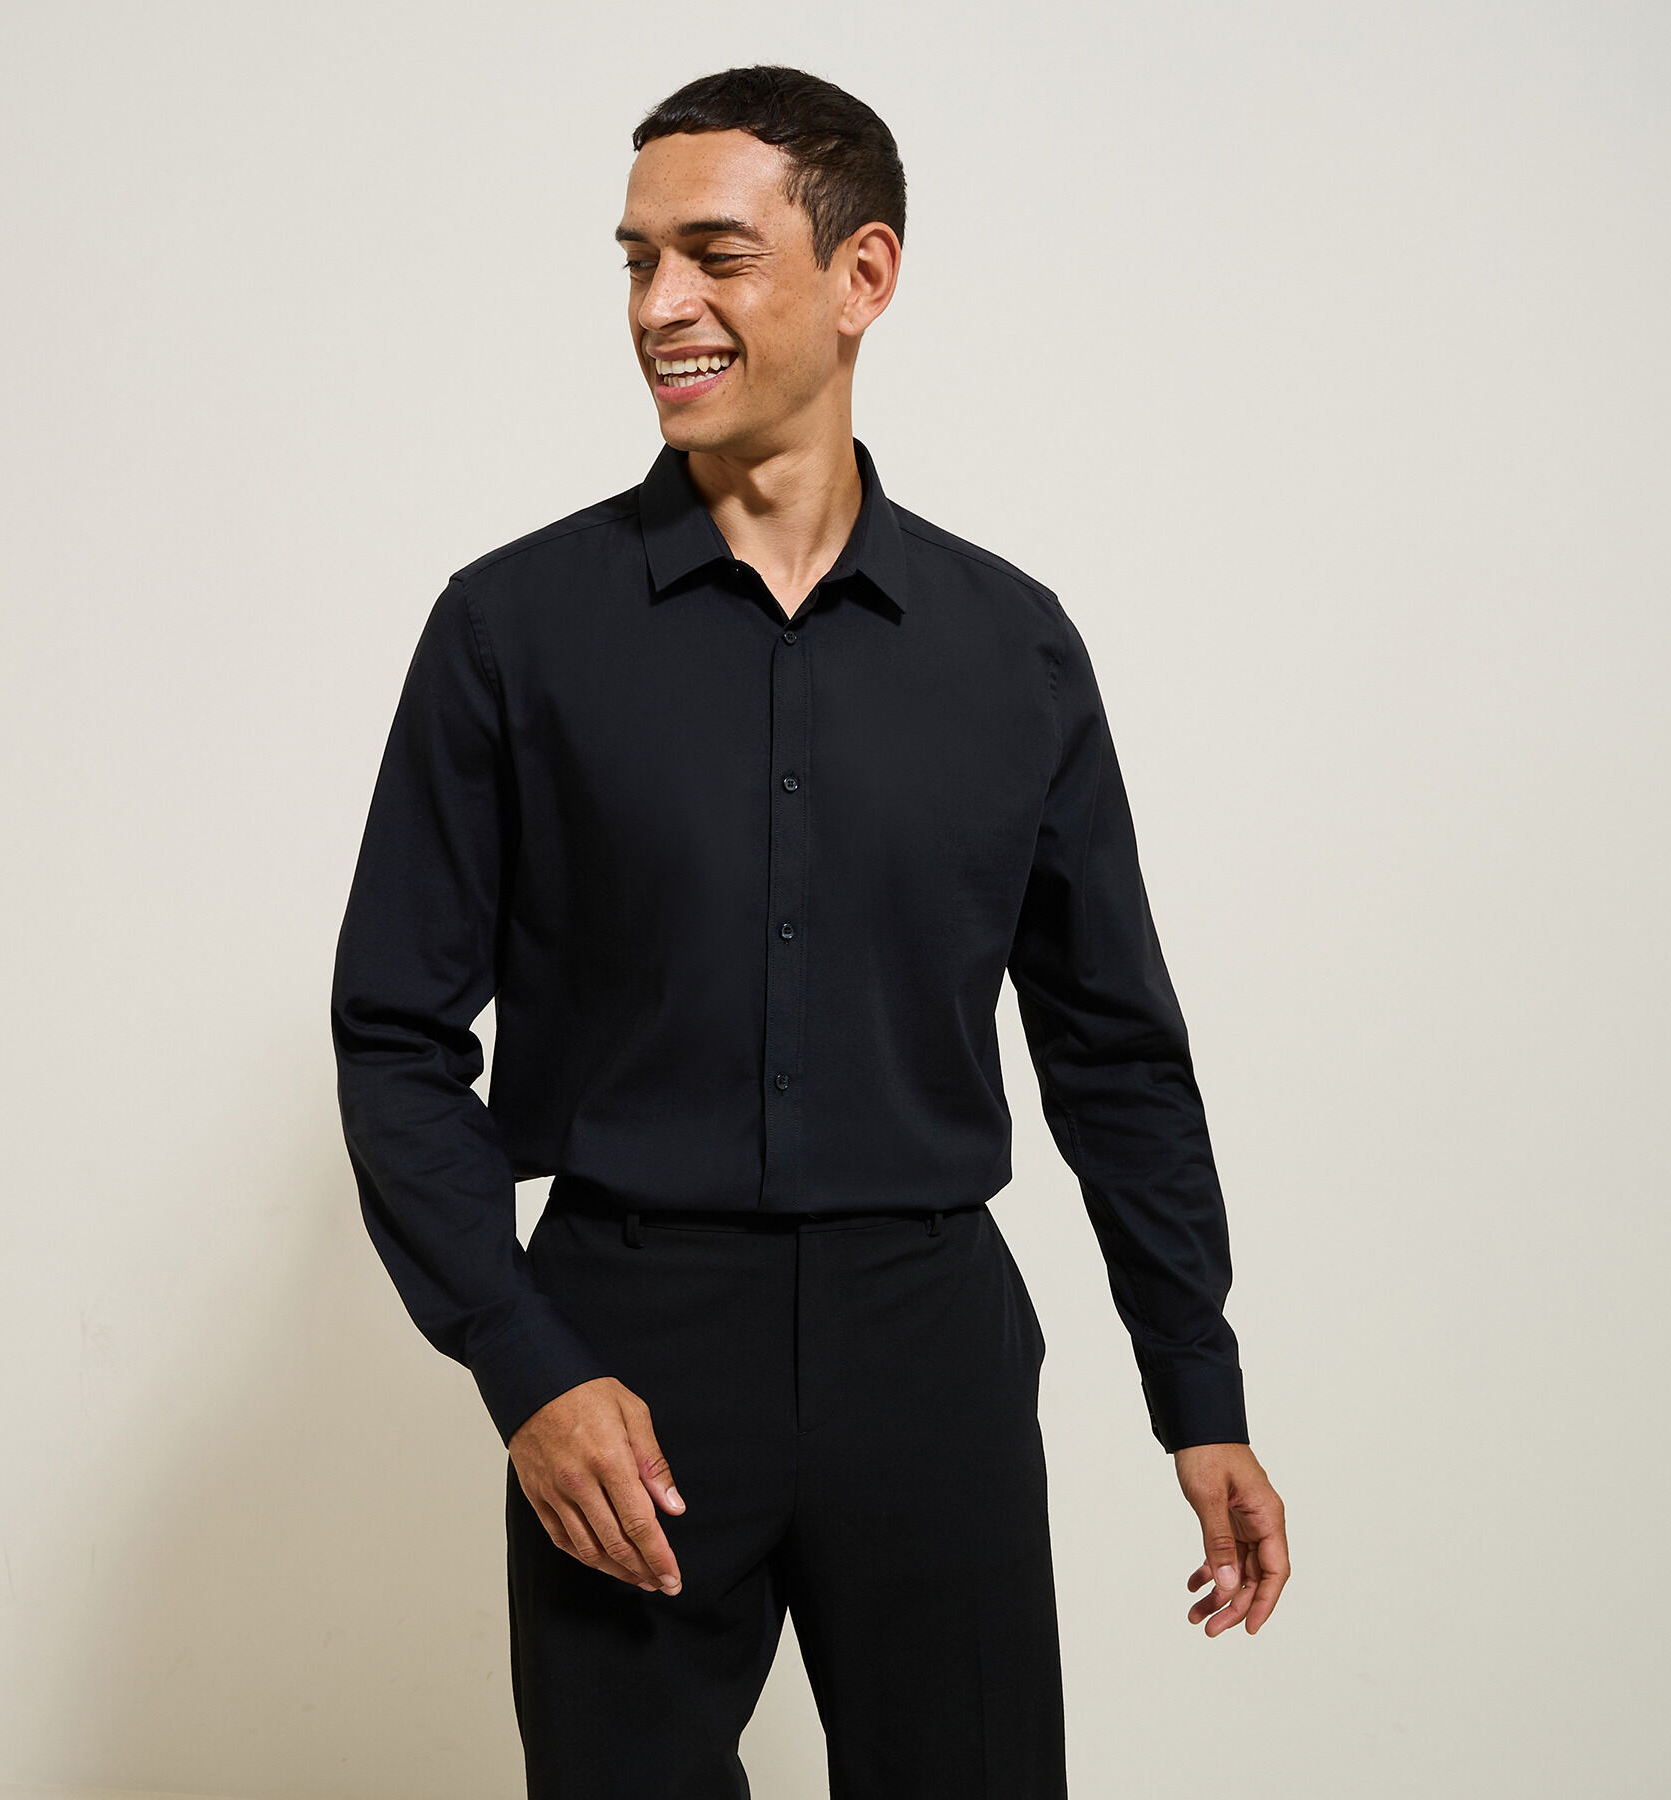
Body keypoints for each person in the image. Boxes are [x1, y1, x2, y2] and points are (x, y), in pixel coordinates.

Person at [331, 62, 1289, 1800]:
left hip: (930, 1345)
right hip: (624, 1349)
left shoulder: (1014, 649)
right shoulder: (509, 632)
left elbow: (1113, 1048)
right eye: (636, 260)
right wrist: (525, 1363)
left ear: (864, 276)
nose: (659, 304)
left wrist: (1197, 1385)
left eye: (714, 254)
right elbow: (395, 1037)